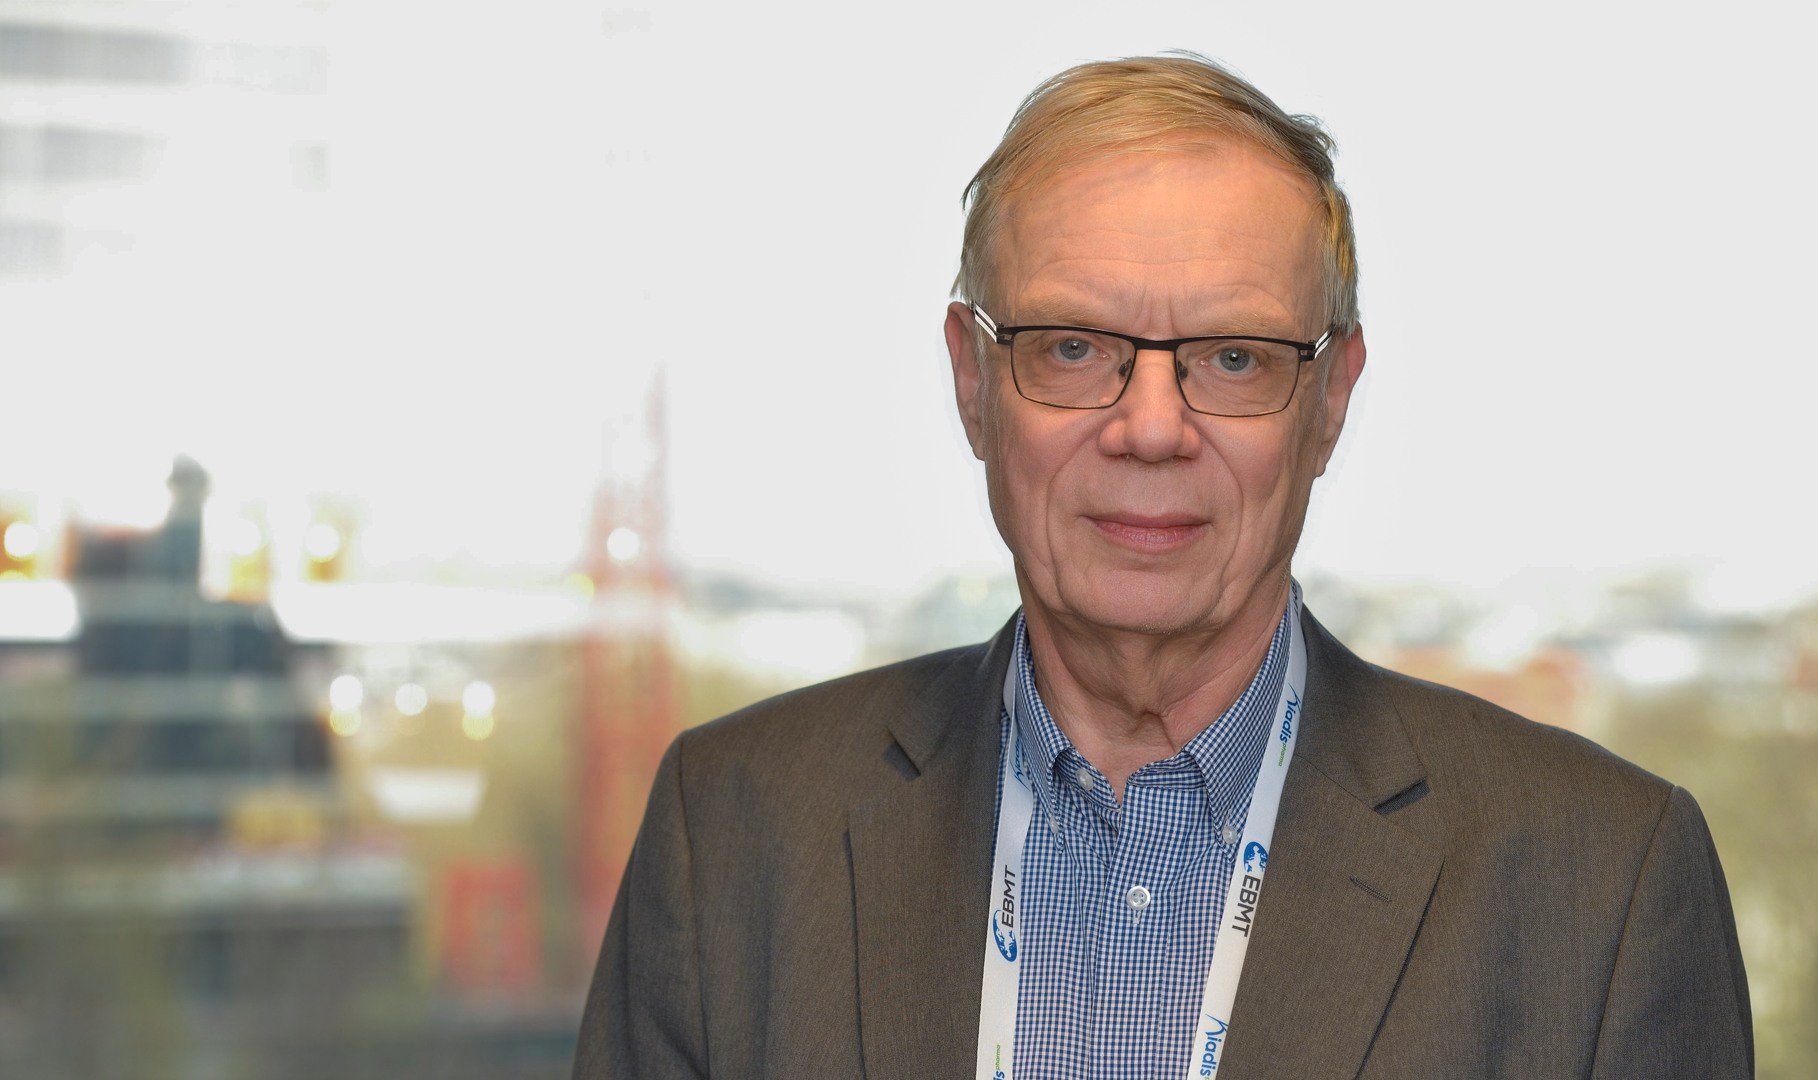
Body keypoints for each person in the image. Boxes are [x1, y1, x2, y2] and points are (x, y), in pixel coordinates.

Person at [573, 52, 1753, 1079]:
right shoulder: (733, 832)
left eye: (1233, 358)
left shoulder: (1602, 885)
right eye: (1074, 346)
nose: (1149, 426)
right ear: (971, 382)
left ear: (1330, 401)